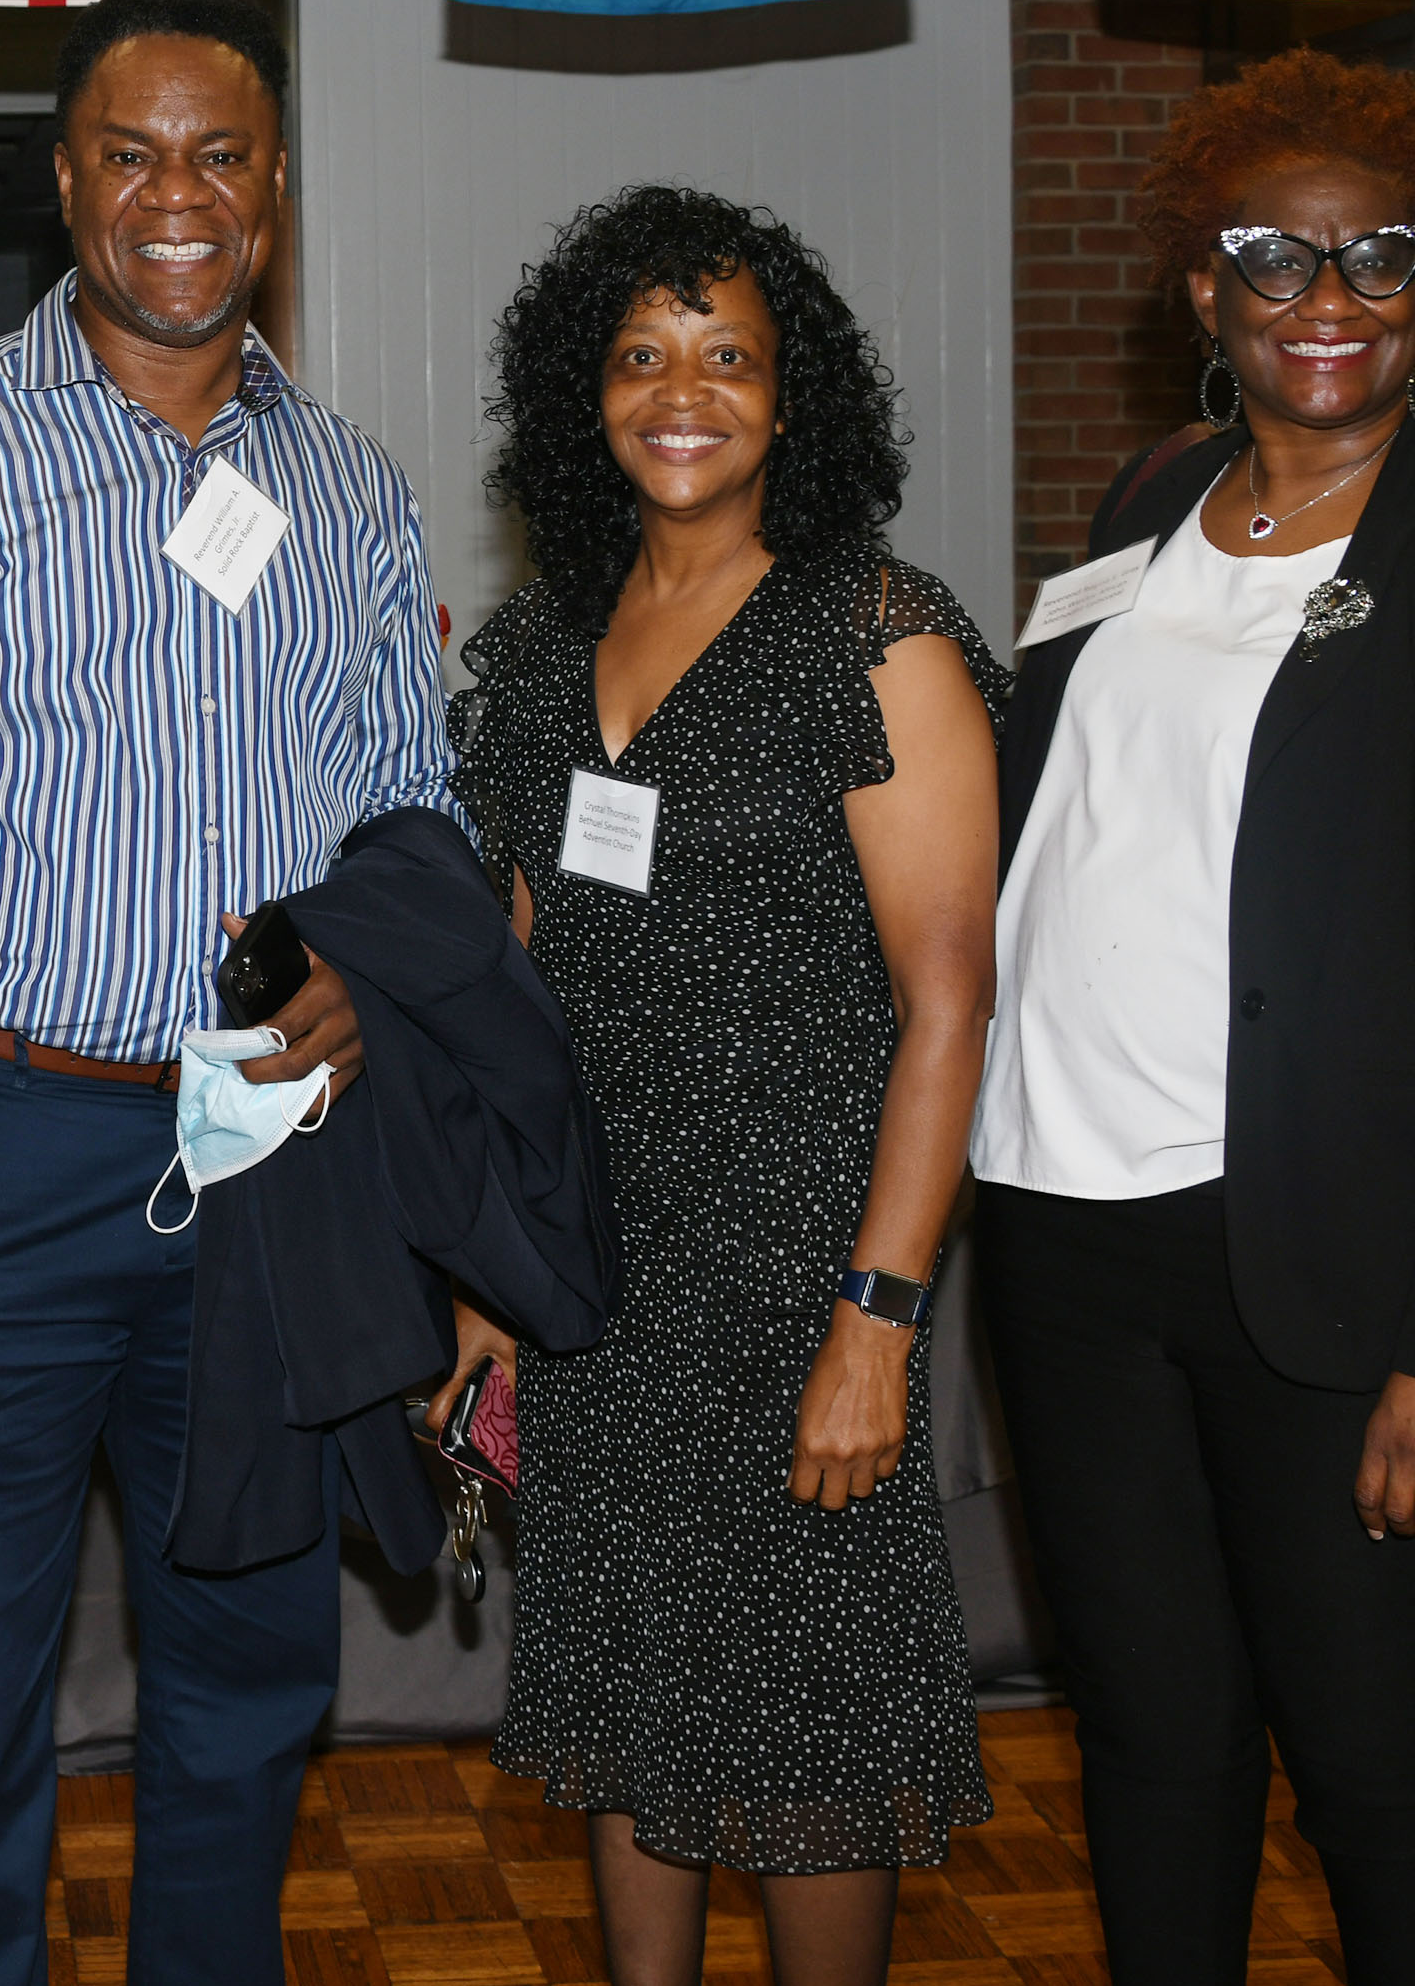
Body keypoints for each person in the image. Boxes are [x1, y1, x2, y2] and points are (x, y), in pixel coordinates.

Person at [0, 0, 456, 1986]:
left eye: (220, 155)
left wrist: (376, 985)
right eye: (131, 153)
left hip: (272, 1162)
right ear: (65, 181)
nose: (176, 197)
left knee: (249, 1667)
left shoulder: (357, 495)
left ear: (276, 191)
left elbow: (413, 816)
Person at [971, 50, 1415, 1984]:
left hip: (1368, 1268)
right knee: (1156, 1738)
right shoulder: (1148, 507)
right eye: (1275, 260)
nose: (1327, 301)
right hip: (1074, 1238)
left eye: (1381, 260)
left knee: (1378, 1754)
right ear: (1205, 292)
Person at [440, 186, 1002, 1985]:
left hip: (799, 1284)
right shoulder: (536, 656)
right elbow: (508, 1002)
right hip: (603, 1287)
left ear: (793, 396)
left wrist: (878, 1319)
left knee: (815, 1735)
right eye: (641, 357)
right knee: (627, 1706)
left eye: (729, 357)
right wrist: (486, 1285)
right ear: (579, 393)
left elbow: (950, 1002)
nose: (684, 392)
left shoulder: (874, 639)